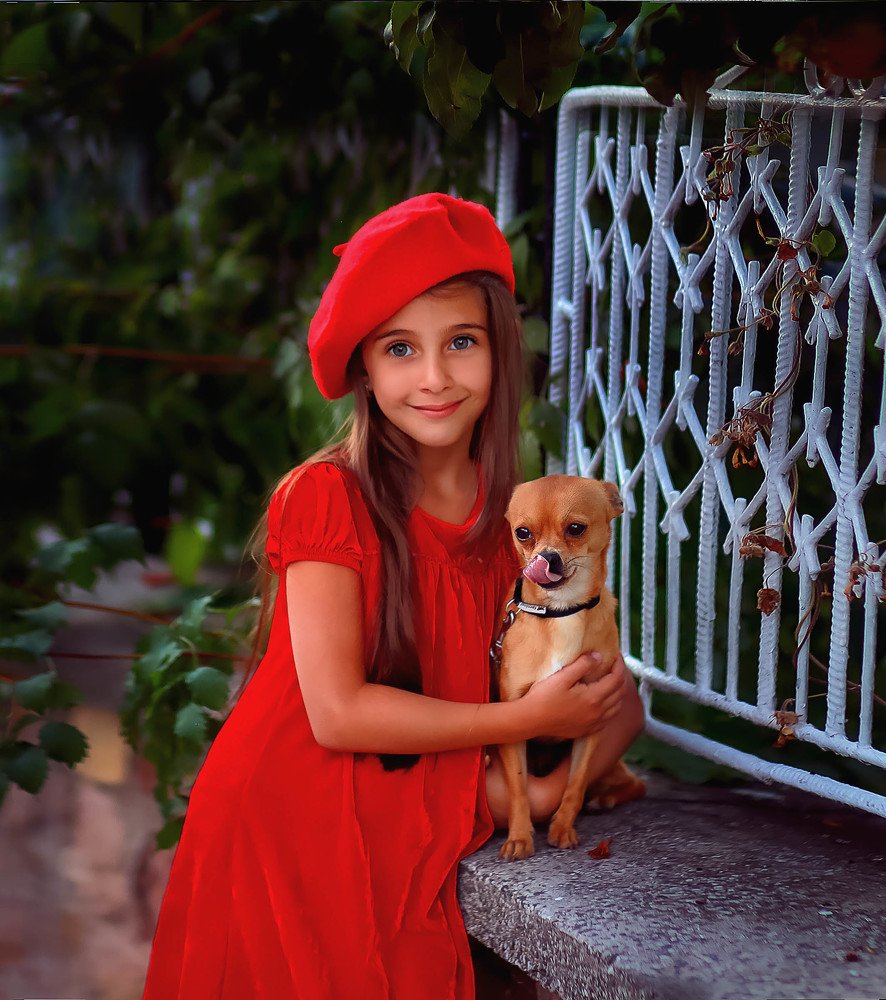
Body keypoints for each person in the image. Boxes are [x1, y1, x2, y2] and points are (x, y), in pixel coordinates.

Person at [141, 193, 644, 1000]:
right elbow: (336, 712)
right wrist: (529, 730)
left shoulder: (514, 518)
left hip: (405, 794)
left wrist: (580, 710)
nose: (436, 378)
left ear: (500, 352)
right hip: (291, 816)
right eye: (401, 349)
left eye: (463, 343)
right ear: (365, 372)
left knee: (623, 709)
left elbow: (544, 671)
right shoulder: (328, 496)